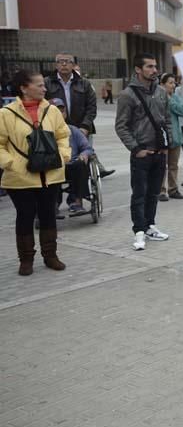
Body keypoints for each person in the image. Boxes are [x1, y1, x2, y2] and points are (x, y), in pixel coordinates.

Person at [1, 70, 71, 275]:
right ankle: (26, 259)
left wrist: (63, 154)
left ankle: (50, 256)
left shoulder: (51, 110)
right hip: (20, 177)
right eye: (39, 85)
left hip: (51, 174)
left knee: (48, 215)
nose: (44, 88)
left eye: (43, 85)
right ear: (24, 88)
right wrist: (10, 162)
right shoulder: (6, 114)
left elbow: (62, 135)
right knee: (25, 217)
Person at [115, 54, 171, 251]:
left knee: (154, 192)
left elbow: (167, 119)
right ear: (138, 69)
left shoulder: (161, 92)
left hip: (159, 152)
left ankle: (149, 226)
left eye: (155, 66)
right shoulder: (127, 95)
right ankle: (139, 231)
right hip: (142, 153)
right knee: (140, 193)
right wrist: (136, 149)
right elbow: (121, 126)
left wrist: (167, 145)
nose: (154, 70)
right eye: (149, 66)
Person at [44, 52, 113, 181]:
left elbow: (91, 107)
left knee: (83, 156)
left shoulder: (84, 83)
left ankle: (79, 192)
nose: (64, 64)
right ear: (56, 64)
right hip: (56, 129)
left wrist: (85, 126)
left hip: (81, 127)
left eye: (67, 61)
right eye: (60, 61)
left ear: (73, 65)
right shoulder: (47, 83)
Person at [50, 98, 94, 217]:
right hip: (52, 166)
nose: (60, 114)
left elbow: (87, 148)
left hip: (72, 165)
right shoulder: (44, 132)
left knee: (81, 164)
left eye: (62, 111)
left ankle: (76, 201)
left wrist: (84, 154)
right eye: (56, 111)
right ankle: (53, 204)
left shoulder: (73, 130)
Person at [158, 74, 183, 201]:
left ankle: (173, 189)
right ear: (162, 84)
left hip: (175, 136)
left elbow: (182, 110)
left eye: (174, 83)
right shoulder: (157, 97)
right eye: (170, 83)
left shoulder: (175, 97)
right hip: (162, 136)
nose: (173, 85)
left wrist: (170, 99)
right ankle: (161, 191)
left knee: (173, 165)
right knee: (162, 166)